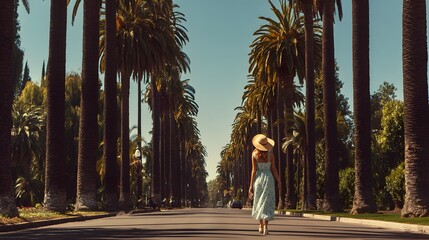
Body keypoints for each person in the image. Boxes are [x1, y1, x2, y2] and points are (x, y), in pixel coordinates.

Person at [248, 133, 282, 235]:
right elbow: (274, 169)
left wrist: (250, 186)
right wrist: (279, 181)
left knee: (258, 201)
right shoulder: (271, 155)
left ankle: (260, 225)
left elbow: (253, 171)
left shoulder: (254, 155)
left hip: (258, 179)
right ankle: (266, 227)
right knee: (267, 202)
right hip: (269, 179)